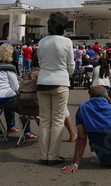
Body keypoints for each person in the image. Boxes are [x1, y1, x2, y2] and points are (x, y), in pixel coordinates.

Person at [37, 12, 75, 165]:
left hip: (42, 82)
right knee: (58, 120)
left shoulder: (41, 42)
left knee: (45, 120)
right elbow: (71, 65)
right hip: (60, 82)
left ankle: (43, 155)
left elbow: (40, 62)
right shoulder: (66, 42)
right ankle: (53, 156)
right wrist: (67, 74)